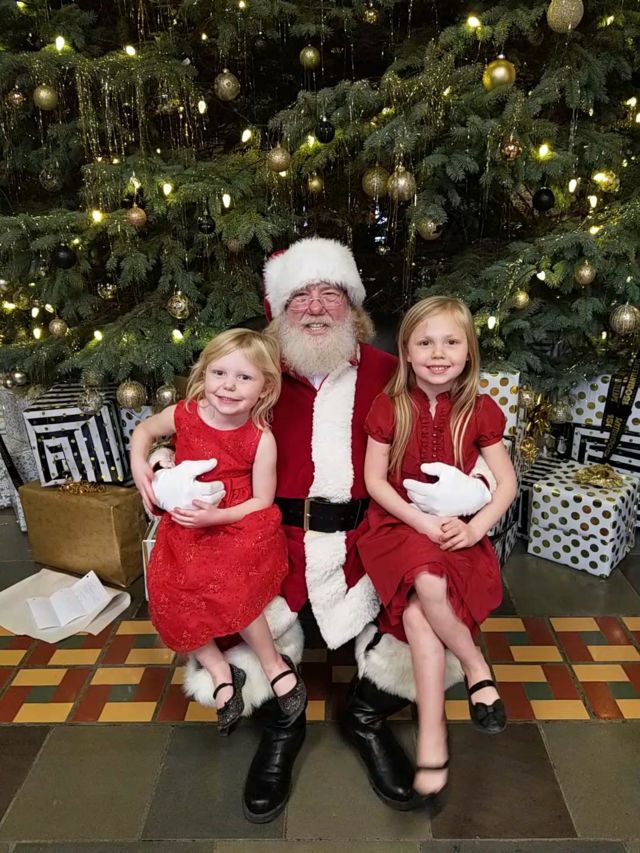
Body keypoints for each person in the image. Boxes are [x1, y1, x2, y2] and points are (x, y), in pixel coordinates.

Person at [138, 237, 496, 822]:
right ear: (279, 309)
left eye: (330, 293)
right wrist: (162, 472)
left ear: (352, 306)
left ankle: (367, 714)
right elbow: (199, 436)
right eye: (300, 295)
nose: (315, 306)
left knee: (430, 611)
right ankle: (283, 721)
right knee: (230, 617)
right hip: (268, 536)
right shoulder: (254, 374)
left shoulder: (391, 372)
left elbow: (452, 429)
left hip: (369, 535)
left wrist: (474, 493)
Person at [359, 296, 518, 807]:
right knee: (428, 580)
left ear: (468, 351)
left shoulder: (479, 410)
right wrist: (421, 521)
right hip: (398, 526)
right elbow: (375, 481)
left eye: (451, 342)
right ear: (406, 351)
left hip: (455, 530)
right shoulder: (389, 406)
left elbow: (507, 484)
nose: (438, 353)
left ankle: (432, 737)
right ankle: (475, 665)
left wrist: (476, 531)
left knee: (417, 617)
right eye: (425, 342)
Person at [130, 328, 307, 736]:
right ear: (204, 374)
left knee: (232, 586)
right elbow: (144, 431)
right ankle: (219, 669)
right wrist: (140, 463)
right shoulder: (185, 414)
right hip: (186, 526)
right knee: (170, 591)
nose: (228, 385)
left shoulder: (260, 438)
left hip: (237, 522)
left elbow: (262, 501)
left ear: (265, 389)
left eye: (244, 377)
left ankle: (272, 662)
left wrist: (217, 518)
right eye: (219, 373)